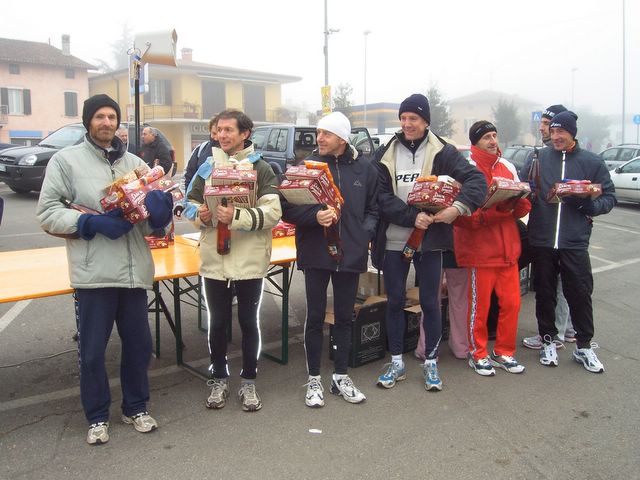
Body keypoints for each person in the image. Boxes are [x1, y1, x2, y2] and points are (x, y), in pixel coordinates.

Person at [36, 94, 174, 445]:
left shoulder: (137, 165)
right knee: (93, 352)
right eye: (99, 116)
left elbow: (152, 224)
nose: (107, 123)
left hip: (133, 271)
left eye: (112, 117)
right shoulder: (66, 161)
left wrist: (159, 216)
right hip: (94, 273)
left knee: (139, 347)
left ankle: (136, 407)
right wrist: (89, 223)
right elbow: (48, 213)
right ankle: (97, 416)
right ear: (88, 121)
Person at [372, 93, 486, 391]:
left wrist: (456, 209)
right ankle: (396, 361)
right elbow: (379, 197)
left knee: (429, 303)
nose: (407, 124)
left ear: (425, 121)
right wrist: (413, 217)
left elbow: (477, 181)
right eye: (403, 118)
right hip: (394, 240)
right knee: (394, 301)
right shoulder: (386, 152)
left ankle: (431, 362)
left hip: (431, 241)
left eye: (413, 118)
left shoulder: (443, 151)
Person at [186, 109, 281, 412]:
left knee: (248, 322)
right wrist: (200, 214)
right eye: (218, 130)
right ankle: (219, 378)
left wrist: (237, 216)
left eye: (229, 130)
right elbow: (188, 204)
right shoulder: (207, 167)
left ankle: (249, 381)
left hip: (249, 260)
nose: (222, 135)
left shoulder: (262, 168)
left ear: (245, 133)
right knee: (217, 323)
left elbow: (273, 212)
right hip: (214, 259)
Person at [281, 112, 378, 407]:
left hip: (350, 253)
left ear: (342, 138)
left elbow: (374, 209)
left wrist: (363, 235)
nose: (319, 138)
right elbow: (286, 208)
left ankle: (340, 376)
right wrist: (315, 216)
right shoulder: (305, 168)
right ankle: (314, 379)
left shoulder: (365, 168)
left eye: (326, 133)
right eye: (319, 132)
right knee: (315, 317)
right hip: (316, 252)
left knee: (345, 317)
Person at [526, 110, 616, 373]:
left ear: (572, 133)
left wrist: (588, 206)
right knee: (544, 293)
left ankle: (584, 346)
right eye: (553, 131)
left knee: (579, 292)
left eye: (561, 132)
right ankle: (547, 341)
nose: (555, 136)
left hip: (574, 240)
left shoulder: (592, 161)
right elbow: (525, 188)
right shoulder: (538, 158)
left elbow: (609, 197)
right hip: (543, 239)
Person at [453, 121, 530, 376]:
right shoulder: (467, 169)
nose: (493, 141)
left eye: (495, 135)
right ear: (475, 142)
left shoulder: (507, 166)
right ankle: (477, 353)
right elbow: (461, 216)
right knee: (480, 308)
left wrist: (519, 203)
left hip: (508, 250)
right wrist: (496, 213)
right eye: (487, 136)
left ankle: (504, 351)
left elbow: (521, 207)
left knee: (512, 304)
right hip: (481, 252)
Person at [523, 104, 576, 350]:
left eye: (548, 125)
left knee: (562, 285)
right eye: (543, 124)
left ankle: (557, 333)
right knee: (551, 286)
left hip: (565, 233)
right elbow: (525, 187)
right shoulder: (538, 156)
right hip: (544, 231)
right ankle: (562, 330)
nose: (543, 129)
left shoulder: (572, 157)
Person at [184, 116, 219, 192]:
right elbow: (188, 176)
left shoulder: (234, 152)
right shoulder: (201, 149)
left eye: (219, 133)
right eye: (214, 133)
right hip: (199, 197)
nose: (216, 138)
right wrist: (188, 196)